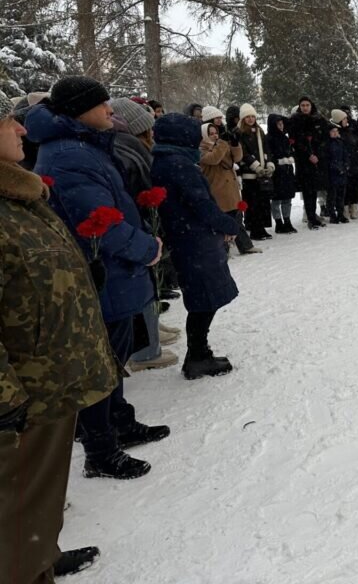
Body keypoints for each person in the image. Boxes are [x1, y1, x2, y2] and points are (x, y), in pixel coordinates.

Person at [0, 90, 119, 584]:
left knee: (34, 512)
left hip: (48, 385)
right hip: (20, 400)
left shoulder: (19, 194)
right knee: (14, 524)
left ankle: (41, 553)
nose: (22, 128)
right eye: (9, 121)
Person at [26, 77, 167, 480]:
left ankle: (119, 421)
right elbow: (100, 224)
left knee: (111, 360)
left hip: (114, 276)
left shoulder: (83, 146)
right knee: (100, 366)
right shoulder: (69, 155)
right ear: (79, 111)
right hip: (102, 277)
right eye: (103, 104)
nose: (111, 111)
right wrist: (146, 248)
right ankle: (101, 451)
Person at [151, 114, 238, 379]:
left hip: (187, 238)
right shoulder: (179, 165)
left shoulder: (166, 161)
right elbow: (201, 204)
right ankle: (198, 356)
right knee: (204, 299)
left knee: (203, 297)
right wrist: (229, 225)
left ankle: (199, 352)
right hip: (195, 240)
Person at [109, 98, 179, 373]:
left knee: (149, 284)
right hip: (137, 229)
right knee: (141, 284)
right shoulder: (127, 150)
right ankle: (146, 349)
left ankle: (151, 333)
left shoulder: (134, 149)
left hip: (142, 228)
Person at [200, 121, 259, 255]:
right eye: (211, 134)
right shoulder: (202, 149)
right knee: (223, 222)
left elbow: (237, 158)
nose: (215, 136)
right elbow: (214, 159)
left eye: (216, 133)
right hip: (218, 190)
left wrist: (234, 143)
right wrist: (222, 143)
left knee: (237, 219)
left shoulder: (220, 146)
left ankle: (245, 246)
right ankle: (223, 250)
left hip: (230, 189)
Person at [288, 96, 327, 229]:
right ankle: (310, 217)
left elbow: (322, 137)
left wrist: (317, 154)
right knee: (307, 190)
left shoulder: (317, 119)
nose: (305, 107)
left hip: (317, 159)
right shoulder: (295, 120)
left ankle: (313, 215)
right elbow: (296, 142)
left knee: (314, 190)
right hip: (304, 161)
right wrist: (308, 154)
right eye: (302, 105)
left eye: (307, 105)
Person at [236, 103, 274, 241]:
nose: (251, 119)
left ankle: (261, 227)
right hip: (250, 173)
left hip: (262, 173)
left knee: (263, 202)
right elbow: (243, 153)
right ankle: (255, 229)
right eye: (248, 117)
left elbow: (266, 149)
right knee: (253, 203)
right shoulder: (240, 133)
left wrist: (269, 163)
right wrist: (256, 166)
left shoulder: (259, 131)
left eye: (253, 116)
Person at [265, 114, 298, 233]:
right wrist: (279, 161)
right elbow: (268, 155)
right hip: (276, 173)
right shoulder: (268, 138)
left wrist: (291, 157)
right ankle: (279, 222)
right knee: (276, 199)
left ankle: (287, 220)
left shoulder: (285, 137)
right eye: (278, 124)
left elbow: (291, 150)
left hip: (288, 171)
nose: (281, 125)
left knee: (287, 198)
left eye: (282, 123)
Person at [323, 123, 350, 223]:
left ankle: (340, 213)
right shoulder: (327, 144)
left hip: (342, 173)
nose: (335, 133)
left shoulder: (341, 142)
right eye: (332, 132)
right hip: (332, 173)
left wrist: (346, 165)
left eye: (336, 131)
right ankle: (332, 214)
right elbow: (327, 159)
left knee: (341, 195)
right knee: (332, 196)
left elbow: (345, 155)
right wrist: (336, 167)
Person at [339, 112, 358, 220]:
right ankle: (344, 209)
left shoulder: (350, 131)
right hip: (344, 164)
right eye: (344, 119)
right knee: (345, 188)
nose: (346, 121)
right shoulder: (337, 133)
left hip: (354, 163)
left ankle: (354, 208)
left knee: (355, 186)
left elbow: (356, 144)